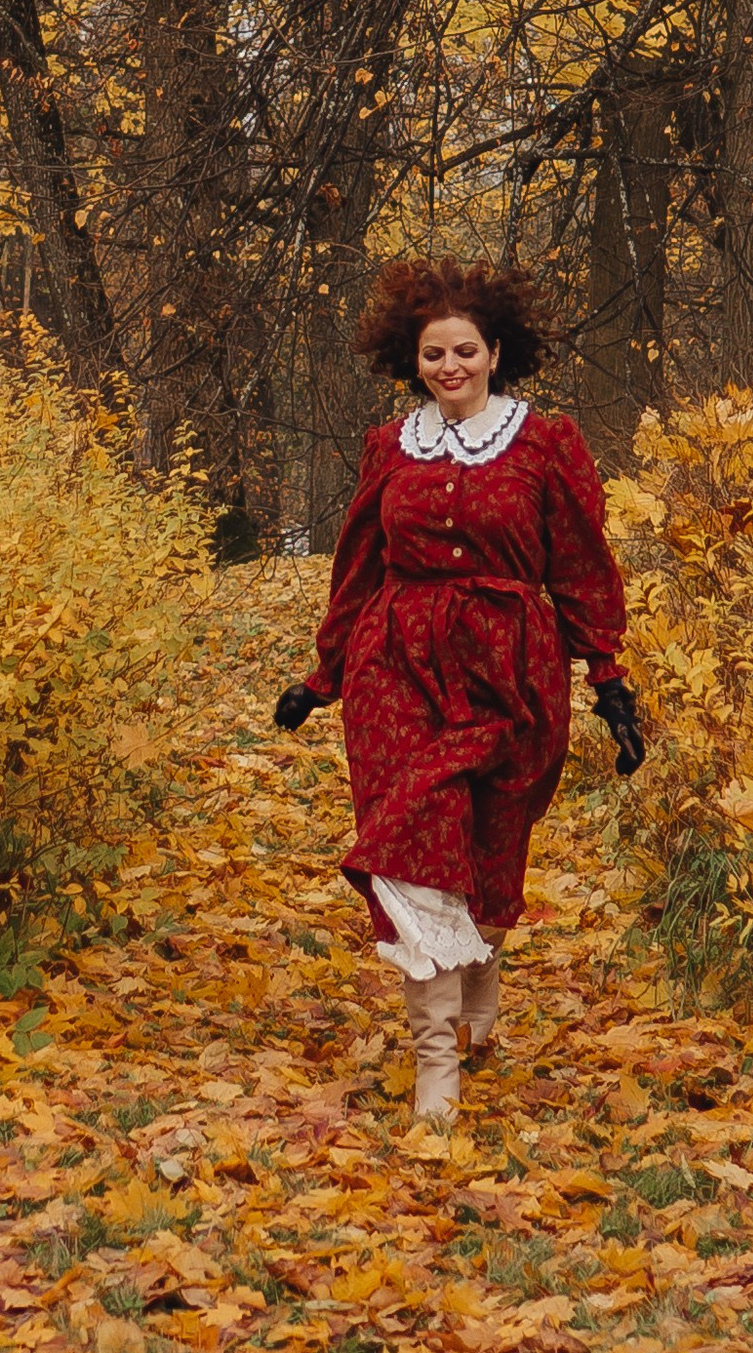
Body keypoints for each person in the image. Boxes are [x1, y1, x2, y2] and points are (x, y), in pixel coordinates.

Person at [272, 257, 644, 1127]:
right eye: (434, 353)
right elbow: (357, 568)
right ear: (416, 361)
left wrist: (608, 678)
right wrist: (322, 675)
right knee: (409, 838)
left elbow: (583, 565)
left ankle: (482, 968)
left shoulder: (543, 446)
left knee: (487, 848)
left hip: (510, 672)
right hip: (395, 670)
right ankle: (434, 1057)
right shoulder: (389, 450)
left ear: (494, 352)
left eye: (464, 351)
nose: (450, 367)